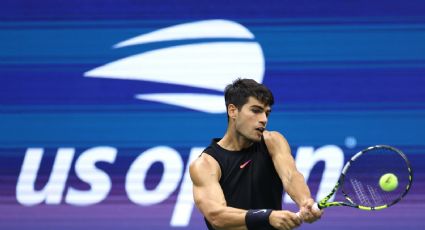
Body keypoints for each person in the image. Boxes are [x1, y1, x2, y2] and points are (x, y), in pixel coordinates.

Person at [189, 78, 322, 230]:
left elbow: (291, 176)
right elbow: (217, 217)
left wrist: (305, 201)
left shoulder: (273, 141)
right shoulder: (206, 164)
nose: (264, 119)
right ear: (233, 111)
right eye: (256, 111)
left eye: (267, 113)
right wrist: (266, 216)